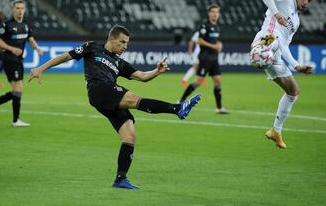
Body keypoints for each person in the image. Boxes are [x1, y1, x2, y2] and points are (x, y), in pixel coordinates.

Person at [28, 25, 201, 189]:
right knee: (134, 99)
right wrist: (41, 68)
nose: (125, 46)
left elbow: (141, 76)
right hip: (98, 89)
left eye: (127, 43)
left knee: (130, 136)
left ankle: (121, 179)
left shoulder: (119, 62)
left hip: (108, 97)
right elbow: (66, 56)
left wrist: (156, 71)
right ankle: (177, 108)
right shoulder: (92, 47)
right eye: (122, 42)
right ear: (112, 38)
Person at [251, 0, 316, 149]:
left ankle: (276, 131)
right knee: (271, 42)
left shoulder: (296, 20)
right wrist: (276, 13)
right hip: (268, 37)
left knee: (294, 92)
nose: (306, 3)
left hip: (277, 52)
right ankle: (259, 52)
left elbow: (285, 45)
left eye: (310, 0)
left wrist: (296, 65)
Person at [0, 0, 43, 127]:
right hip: (9, 59)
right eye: (17, 8)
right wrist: (12, 49)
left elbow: (30, 39)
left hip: (18, 60)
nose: (20, 11)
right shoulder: (7, 25)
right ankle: (15, 120)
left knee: (17, 91)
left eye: (22, 8)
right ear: (13, 10)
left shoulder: (26, 25)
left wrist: (37, 48)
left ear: (25, 10)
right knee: (18, 88)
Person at [180, 4, 228, 114]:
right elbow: (199, 41)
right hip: (205, 58)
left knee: (217, 81)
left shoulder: (217, 27)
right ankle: (181, 100)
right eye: (213, 12)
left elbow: (216, 41)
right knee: (198, 82)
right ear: (209, 14)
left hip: (214, 58)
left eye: (217, 12)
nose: (215, 14)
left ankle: (219, 108)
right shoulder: (204, 26)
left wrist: (219, 44)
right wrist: (214, 46)